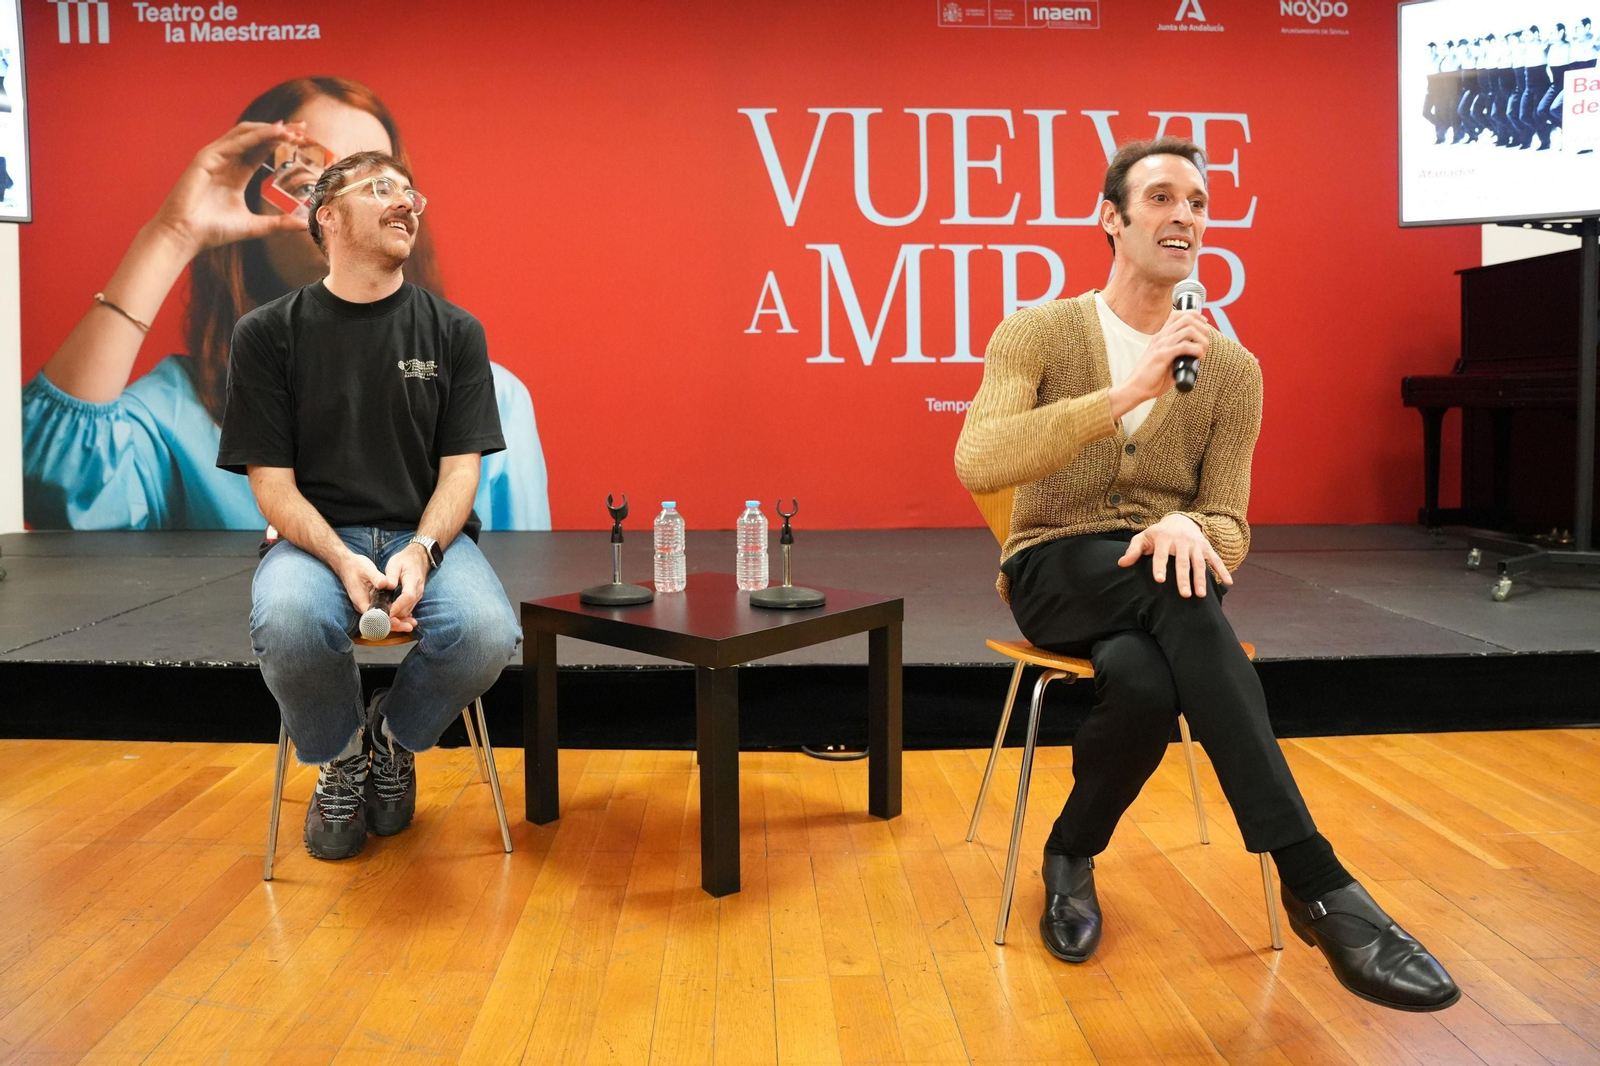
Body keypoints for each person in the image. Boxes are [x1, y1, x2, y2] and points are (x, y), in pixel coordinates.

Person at [953, 137, 1460, 1013]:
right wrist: (1124, 391)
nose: (1183, 214)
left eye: (1196, 201)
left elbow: (1230, 520)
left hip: (1168, 583)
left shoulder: (1231, 370)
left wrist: (1191, 523)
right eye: (1159, 198)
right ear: (1110, 220)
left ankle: (1070, 851)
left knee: (1148, 678)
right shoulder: (1036, 331)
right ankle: (1319, 884)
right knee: (1177, 592)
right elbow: (979, 458)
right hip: (1056, 567)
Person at [22, 76, 550, 532]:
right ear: (256, 206)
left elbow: (516, 601)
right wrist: (172, 235)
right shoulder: (176, 413)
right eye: (315, 182)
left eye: (380, 183)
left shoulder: (491, 396)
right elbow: (51, 475)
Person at [219, 149, 522, 860]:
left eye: (411, 192)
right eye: (381, 189)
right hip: (315, 541)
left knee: (484, 633)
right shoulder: (266, 334)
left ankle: (392, 740)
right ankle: (341, 757)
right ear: (326, 216)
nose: (406, 203)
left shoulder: (454, 332)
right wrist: (339, 555)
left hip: (427, 538)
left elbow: (459, 474)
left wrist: (422, 550)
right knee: (291, 622)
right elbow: (271, 486)